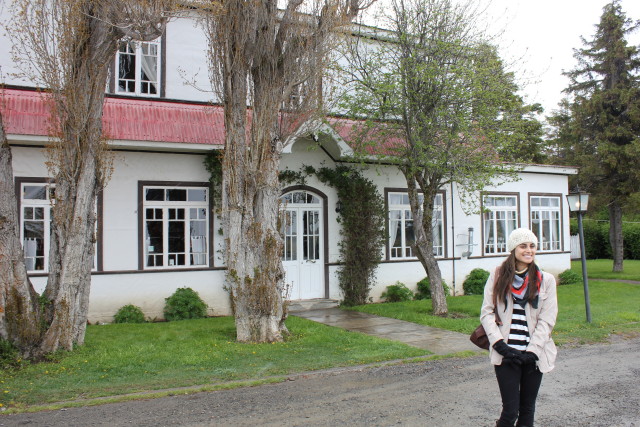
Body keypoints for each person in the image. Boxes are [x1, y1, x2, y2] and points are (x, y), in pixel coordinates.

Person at [480, 228, 558, 427]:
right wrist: (499, 345)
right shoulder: (498, 275)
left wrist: (532, 352)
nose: (529, 250)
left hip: (533, 354)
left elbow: (547, 320)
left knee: (527, 410)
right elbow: (487, 312)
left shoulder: (546, 280)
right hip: (507, 353)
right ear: (513, 249)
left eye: (532, 246)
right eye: (523, 246)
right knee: (510, 412)